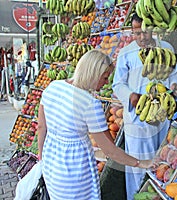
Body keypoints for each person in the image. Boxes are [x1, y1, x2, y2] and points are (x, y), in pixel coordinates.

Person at [37, 50, 155, 200]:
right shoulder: (90, 103)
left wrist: (42, 156)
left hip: (51, 164)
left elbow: (42, 127)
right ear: (93, 73)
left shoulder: (53, 87)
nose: (106, 82)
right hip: (75, 173)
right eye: (105, 77)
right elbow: (110, 151)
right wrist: (140, 163)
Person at [112, 14, 177, 200]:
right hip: (138, 120)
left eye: (145, 31)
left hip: (162, 116)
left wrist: (175, 86)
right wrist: (131, 96)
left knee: (163, 160)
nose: (142, 37)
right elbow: (117, 84)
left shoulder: (166, 48)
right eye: (137, 33)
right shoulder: (126, 53)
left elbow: (173, 74)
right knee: (138, 165)